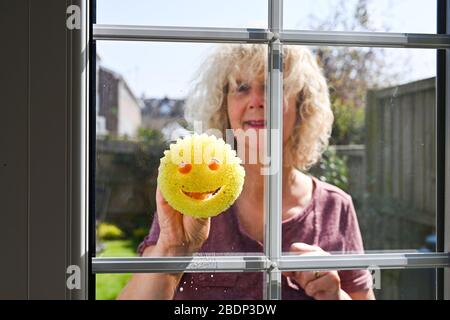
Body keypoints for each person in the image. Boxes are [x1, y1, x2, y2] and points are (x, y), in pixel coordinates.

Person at [118, 44, 375, 300]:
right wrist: (172, 250)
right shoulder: (193, 197)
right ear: (223, 106)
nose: (256, 101)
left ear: (303, 106)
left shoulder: (335, 207)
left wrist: (336, 296)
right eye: (241, 88)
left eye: (273, 87)